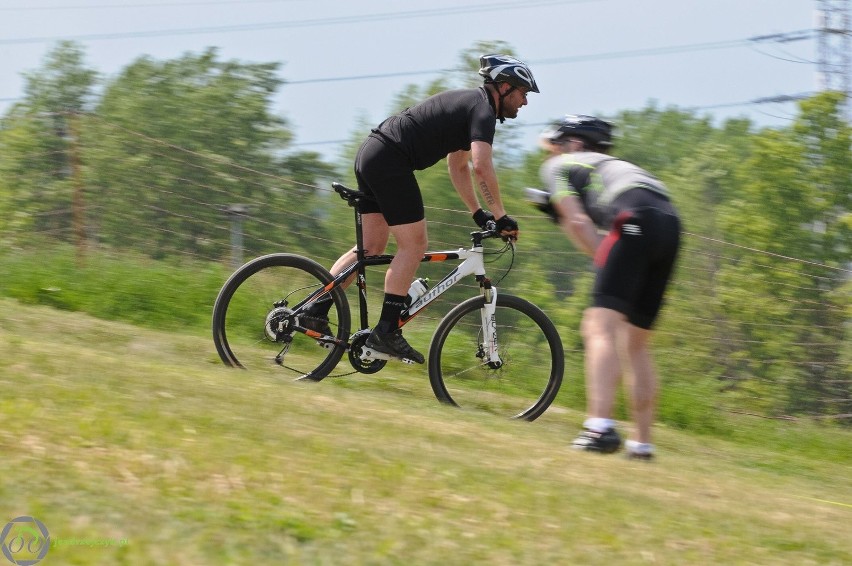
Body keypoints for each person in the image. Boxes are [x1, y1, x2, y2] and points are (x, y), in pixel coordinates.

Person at [306, 54, 538, 364]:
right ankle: (386, 331)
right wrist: (500, 216)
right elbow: (481, 166)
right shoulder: (482, 109)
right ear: (505, 87)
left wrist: (478, 212)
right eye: (523, 93)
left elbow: (458, 166)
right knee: (414, 244)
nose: (524, 102)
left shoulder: (472, 106)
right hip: (391, 160)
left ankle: (314, 309)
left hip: (374, 154)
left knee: (372, 248)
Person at [532, 115, 681, 460]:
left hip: (634, 219)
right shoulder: (614, 166)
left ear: (573, 144)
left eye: (553, 147)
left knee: (599, 327)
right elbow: (607, 239)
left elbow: (582, 224)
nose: (549, 155)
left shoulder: (560, 167)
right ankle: (642, 445)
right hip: (669, 222)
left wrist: (559, 216)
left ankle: (600, 428)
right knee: (636, 344)